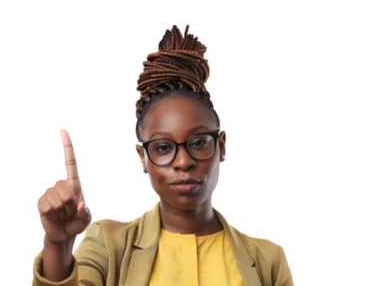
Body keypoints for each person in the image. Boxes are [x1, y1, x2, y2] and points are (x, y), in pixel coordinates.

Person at [32, 23, 294, 285]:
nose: (183, 162)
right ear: (142, 158)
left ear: (222, 146)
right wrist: (58, 244)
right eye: (163, 148)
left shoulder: (267, 259)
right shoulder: (109, 244)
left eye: (199, 142)